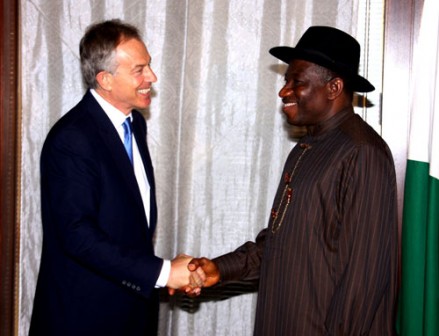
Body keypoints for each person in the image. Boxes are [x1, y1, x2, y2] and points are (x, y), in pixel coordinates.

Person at [187, 26, 398, 335]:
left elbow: (363, 280)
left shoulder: (362, 153)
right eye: (286, 80)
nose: (283, 91)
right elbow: (280, 244)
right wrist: (218, 269)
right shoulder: (306, 148)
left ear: (334, 87)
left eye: (296, 81)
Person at [29, 19, 201, 336]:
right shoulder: (72, 139)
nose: (152, 77)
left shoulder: (135, 123)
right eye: (139, 70)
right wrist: (163, 273)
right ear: (105, 79)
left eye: (148, 65)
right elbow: (78, 235)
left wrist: (159, 275)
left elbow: (128, 224)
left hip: (132, 309)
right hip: (84, 318)